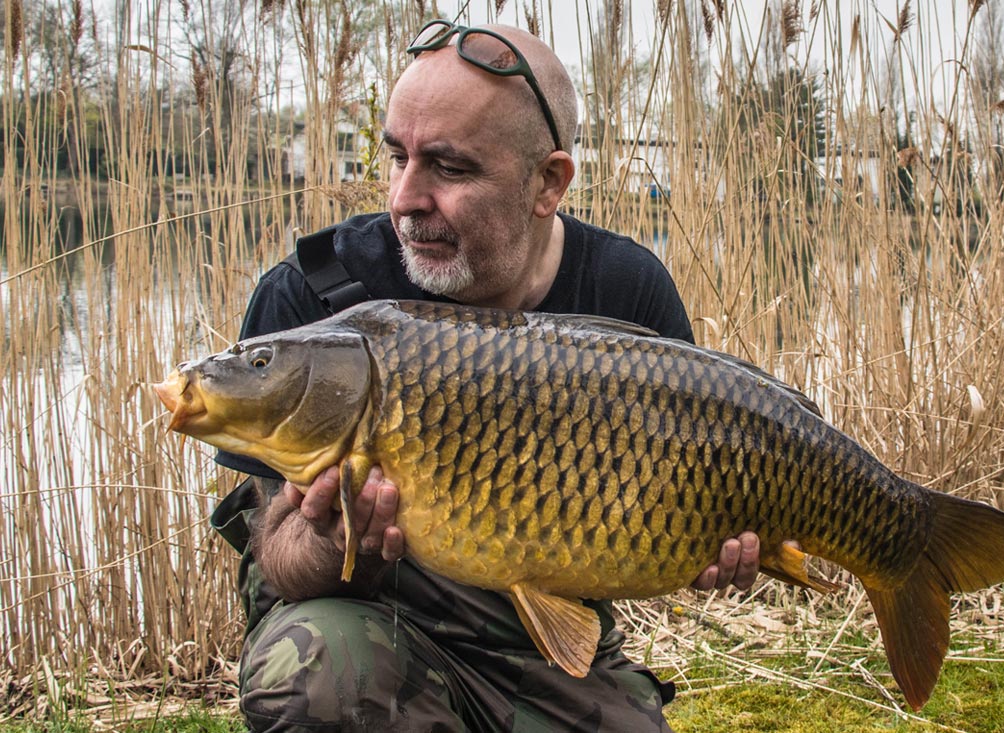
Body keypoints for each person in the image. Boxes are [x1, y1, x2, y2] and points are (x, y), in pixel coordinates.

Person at [210, 19, 764, 732]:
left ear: (548, 182)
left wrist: (704, 543)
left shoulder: (626, 289)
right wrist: (334, 536)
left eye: (449, 167)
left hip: (538, 637)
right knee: (320, 676)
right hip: (355, 617)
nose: (404, 198)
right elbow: (276, 557)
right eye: (396, 157)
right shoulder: (312, 306)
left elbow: (664, 524)